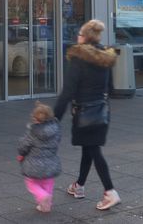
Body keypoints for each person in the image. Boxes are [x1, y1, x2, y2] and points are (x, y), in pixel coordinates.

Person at [53, 19, 121, 211]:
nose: (77, 37)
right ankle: (79, 186)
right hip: (102, 113)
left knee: (93, 151)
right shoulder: (106, 57)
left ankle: (110, 192)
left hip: (84, 113)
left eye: (80, 34)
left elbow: (67, 91)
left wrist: (55, 118)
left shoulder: (78, 58)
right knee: (89, 148)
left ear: (85, 37)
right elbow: (112, 89)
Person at [17, 101, 62, 213]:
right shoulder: (56, 130)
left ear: (35, 118)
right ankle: (46, 205)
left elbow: (24, 146)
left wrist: (21, 154)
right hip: (51, 162)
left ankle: (42, 197)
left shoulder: (33, 132)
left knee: (31, 183)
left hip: (34, 164)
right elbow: (57, 142)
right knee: (48, 183)